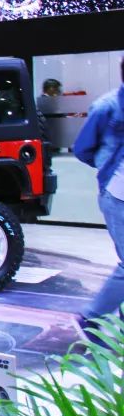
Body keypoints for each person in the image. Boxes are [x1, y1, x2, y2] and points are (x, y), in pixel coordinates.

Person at [74, 57, 124, 335]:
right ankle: (90, 317)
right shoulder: (107, 106)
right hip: (117, 195)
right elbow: (82, 148)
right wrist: (106, 168)